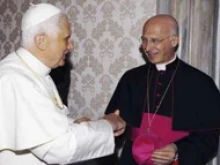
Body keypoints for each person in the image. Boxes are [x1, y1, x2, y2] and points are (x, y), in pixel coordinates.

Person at [0, 3, 126, 165]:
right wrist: (108, 125)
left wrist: (76, 125)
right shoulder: (16, 79)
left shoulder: (36, 73)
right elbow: (58, 147)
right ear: (41, 41)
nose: (71, 46)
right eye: (66, 38)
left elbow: (47, 125)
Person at [105, 14, 220, 165]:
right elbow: (117, 124)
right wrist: (103, 126)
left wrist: (177, 150)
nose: (147, 47)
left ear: (174, 41)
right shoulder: (131, 78)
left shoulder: (201, 83)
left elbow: (209, 137)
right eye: (144, 40)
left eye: (155, 40)